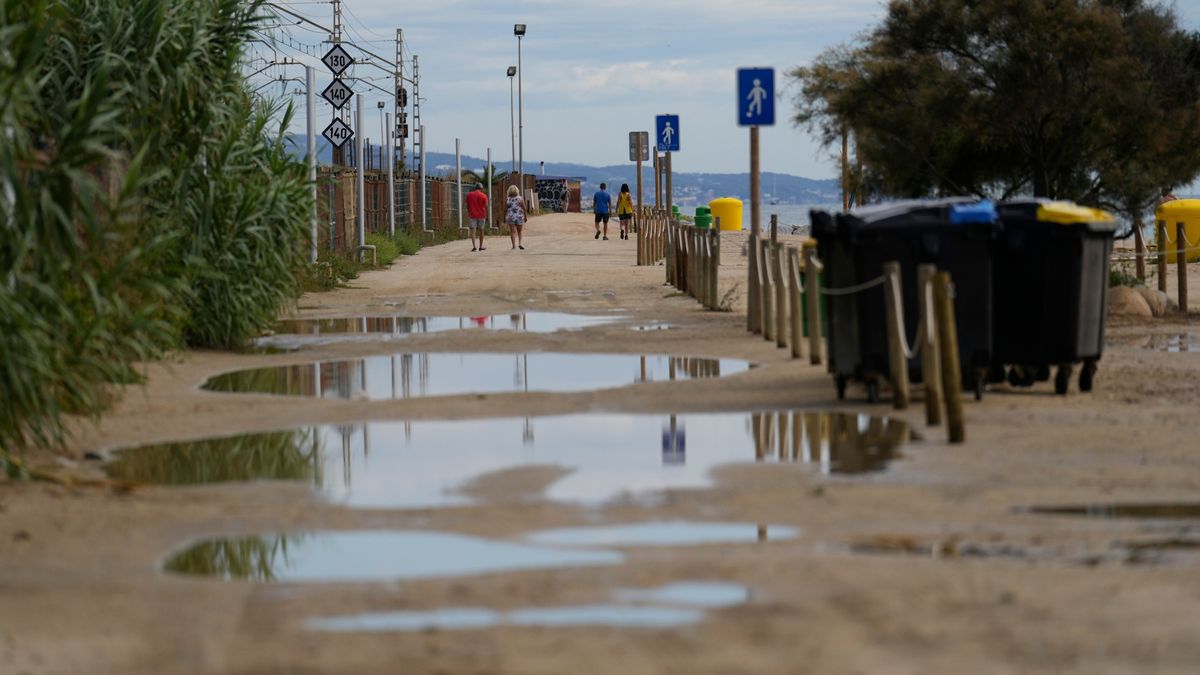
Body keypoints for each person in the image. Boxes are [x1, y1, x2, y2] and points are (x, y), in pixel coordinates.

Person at [465, 184, 488, 251]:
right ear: (481, 188)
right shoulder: (483, 195)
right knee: (481, 230)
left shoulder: (469, 195)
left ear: (475, 188)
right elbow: (486, 206)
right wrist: (487, 215)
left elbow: (467, 205)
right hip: (481, 215)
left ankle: (474, 247)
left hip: (472, 215)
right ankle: (480, 247)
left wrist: (469, 211)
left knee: (473, 231)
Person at [505, 184, 526, 250]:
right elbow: (524, 208)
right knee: (519, 231)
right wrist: (525, 216)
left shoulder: (508, 199)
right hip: (519, 216)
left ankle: (514, 246)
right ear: (517, 190)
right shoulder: (520, 198)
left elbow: (505, 209)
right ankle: (520, 243)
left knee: (512, 232)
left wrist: (504, 217)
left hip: (511, 217)